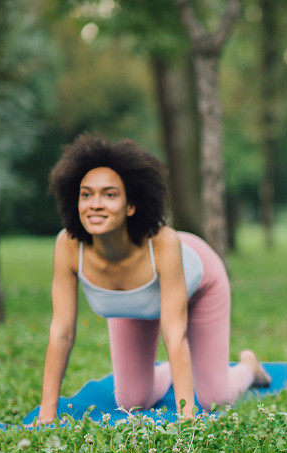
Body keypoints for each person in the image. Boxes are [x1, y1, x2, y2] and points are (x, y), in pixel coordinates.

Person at [36, 133, 270, 424]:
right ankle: (176, 370)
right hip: (136, 304)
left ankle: (248, 366)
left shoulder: (164, 243)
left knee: (213, 398)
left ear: (131, 206)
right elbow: (61, 332)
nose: (95, 204)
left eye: (109, 195)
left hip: (199, 285)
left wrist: (187, 413)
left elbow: (174, 334)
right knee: (132, 401)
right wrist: (47, 413)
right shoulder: (68, 246)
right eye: (86, 194)